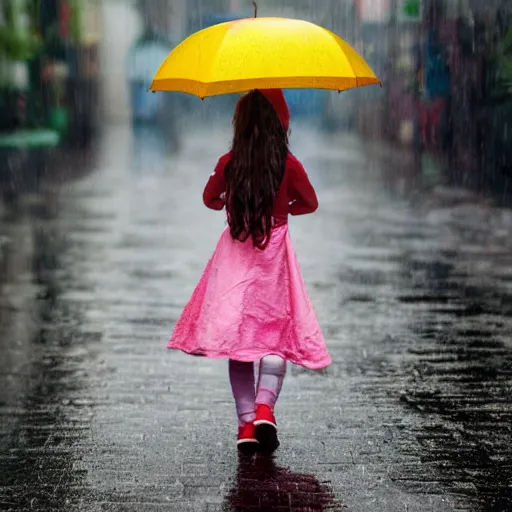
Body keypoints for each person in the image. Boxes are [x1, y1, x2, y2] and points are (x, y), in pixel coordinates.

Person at [167, 89, 331, 454]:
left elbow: (210, 198)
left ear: (240, 124)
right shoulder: (288, 165)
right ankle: (264, 409)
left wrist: (234, 200)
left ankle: (245, 425)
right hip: (273, 262)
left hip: (235, 261)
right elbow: (310, 203)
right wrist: (281, 209)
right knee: (274, 336)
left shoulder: (230, 162)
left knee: (240, 345)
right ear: (280, 124)